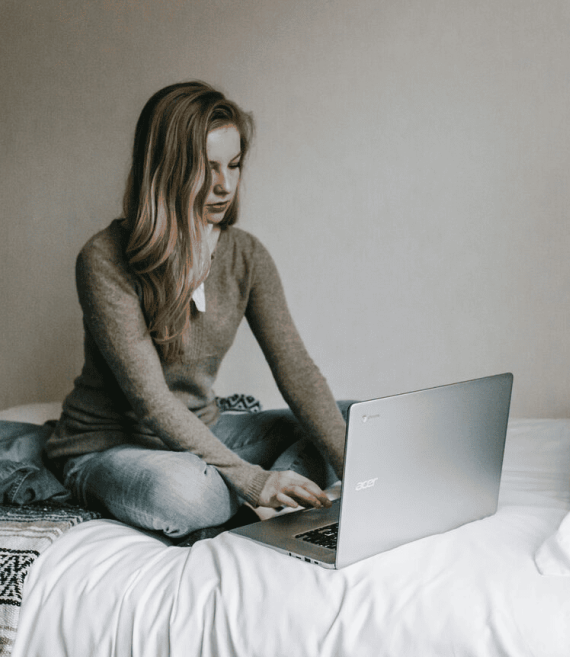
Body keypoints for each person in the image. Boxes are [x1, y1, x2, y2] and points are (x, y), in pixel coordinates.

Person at [44, 81, 349, 542]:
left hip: (208, 431)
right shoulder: (103, 259)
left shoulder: (246, 254)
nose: (224, 185)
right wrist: (252, 479)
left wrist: (360, 471)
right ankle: (260, 491)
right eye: (206, 169)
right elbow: (152, 401)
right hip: (111, 447)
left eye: (234, 165)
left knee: (357, 421)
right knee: (188, 494)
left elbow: (297, 370)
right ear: (166, 169)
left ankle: (279, 496)